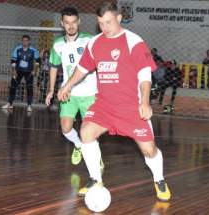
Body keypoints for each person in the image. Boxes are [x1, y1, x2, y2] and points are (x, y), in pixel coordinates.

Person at [58, 2, 171, 201]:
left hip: (130, 108)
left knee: (149, 149)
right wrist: (67, 85)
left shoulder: (134, 42)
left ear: (119, 18)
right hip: (104, 105)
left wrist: (145, 103)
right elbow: (83, 69)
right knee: (86, 132)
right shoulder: (95, 42)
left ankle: (159, 179)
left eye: (109, 22)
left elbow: (145, 76)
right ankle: (95, 178)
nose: (105, 28)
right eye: (101, 23)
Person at [45, 7, 103, 170]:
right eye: (67, 23)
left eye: (74, 22)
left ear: (79, 22)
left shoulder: (89, 40)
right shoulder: (57, 45)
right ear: (62, 24)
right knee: (65, 127)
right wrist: (51, 89)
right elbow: (54, 67)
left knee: (91, 131)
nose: (71, 26)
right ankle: (79, 145)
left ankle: (95, 157)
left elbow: (100, 65)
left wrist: (103, 90)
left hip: (90, 93)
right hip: (68, 92)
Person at [2, 35, 41, 112]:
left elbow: (38, 61)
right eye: (23, 40)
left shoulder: (33, 50)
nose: (24, 42)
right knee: (13, 87)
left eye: (26, 40)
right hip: (18, 71)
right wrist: (14, 71)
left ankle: (29, 105)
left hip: (29, 72)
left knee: (29, 88)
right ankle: (10, 104)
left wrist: (35, 70)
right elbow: (13, 61)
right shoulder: (17, 49)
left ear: (29, 41)